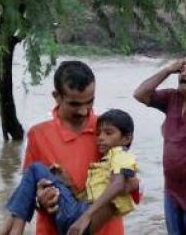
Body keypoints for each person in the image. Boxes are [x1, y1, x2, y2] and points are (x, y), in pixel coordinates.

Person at [21, 61, 127, 235]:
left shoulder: (110, 130)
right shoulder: (37, 133)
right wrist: (41, 200)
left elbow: (129, 184)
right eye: (75, 104)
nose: (84, 111)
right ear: (57, 96)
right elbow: (28, 191)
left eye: (90, 102)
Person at [1, 109, 138, 235]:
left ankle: (12, 229)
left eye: (108, 133)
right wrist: (69, 184)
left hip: (80, 219)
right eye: (99, 133)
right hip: (75, 217)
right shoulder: (106, 162)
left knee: (35, 169)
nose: (100, 137)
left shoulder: (120, 155)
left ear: (126, 138)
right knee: (33, 175)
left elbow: (119, 185)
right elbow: (86, 198)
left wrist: (85, 217)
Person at [133, 57, 186, 235]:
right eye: (182, 70)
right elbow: (140, 94)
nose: (183, 74)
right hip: (172, 190)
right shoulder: (172, 98)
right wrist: (168, 70)